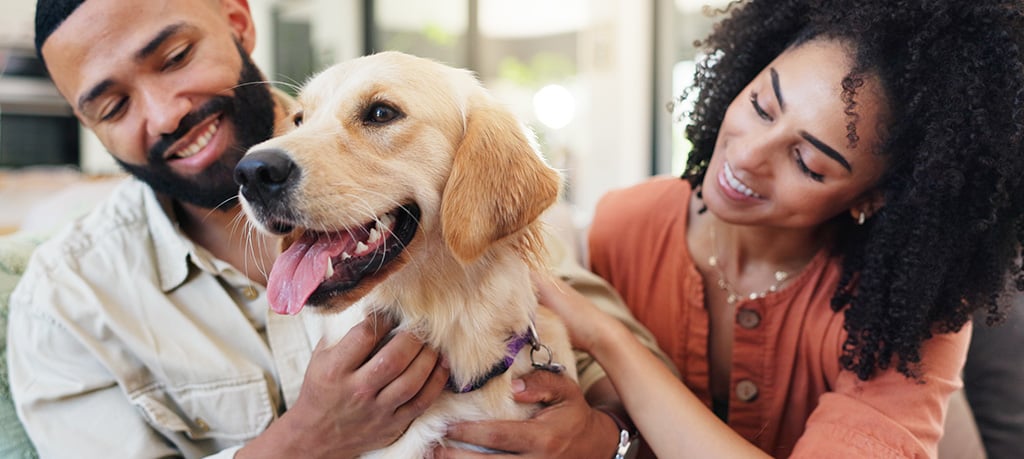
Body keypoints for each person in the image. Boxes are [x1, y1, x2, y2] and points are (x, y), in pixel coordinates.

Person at [8, 0, 669, 457]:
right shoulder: (64, 298)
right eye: (113, 105)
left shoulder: (442, 168)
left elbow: (635, 382)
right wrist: (307, 441)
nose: (162, 113)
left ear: (237, 22)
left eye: (175, 55)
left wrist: (602, 441)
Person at [495, 0, 1024, 458]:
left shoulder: (906, 313)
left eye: (809, 163)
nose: (746, 156)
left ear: (871, 197)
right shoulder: (625, 225)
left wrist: (611, 337)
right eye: (761, 105)